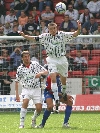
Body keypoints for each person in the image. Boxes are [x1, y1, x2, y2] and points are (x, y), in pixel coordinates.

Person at [18, 20, 81, 106]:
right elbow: (34, 38)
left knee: (64, 79)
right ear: (48, 29)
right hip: (51, 59)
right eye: (51, 29)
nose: (53, 30)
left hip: (62, 59)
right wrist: (24, 36)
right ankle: (57, 99)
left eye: (54, 28)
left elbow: (75, 34)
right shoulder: (45, 36)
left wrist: (79, 28)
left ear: (56, 28)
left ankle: (63, 91)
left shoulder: (62, 35)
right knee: (53, 76)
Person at [15, 51, 48, 128]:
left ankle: (33, 119)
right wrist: (17, 95)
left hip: (36, 89)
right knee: (25, 101)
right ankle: (21, 124)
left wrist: (40, 74)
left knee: (39, 109)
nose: (27, 58)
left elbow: (46, 71)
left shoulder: (35, 64)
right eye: (25, 57)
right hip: (26, 88)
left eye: (28, 56)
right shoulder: (20, 69)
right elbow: (16, 82)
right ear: (22, 58)